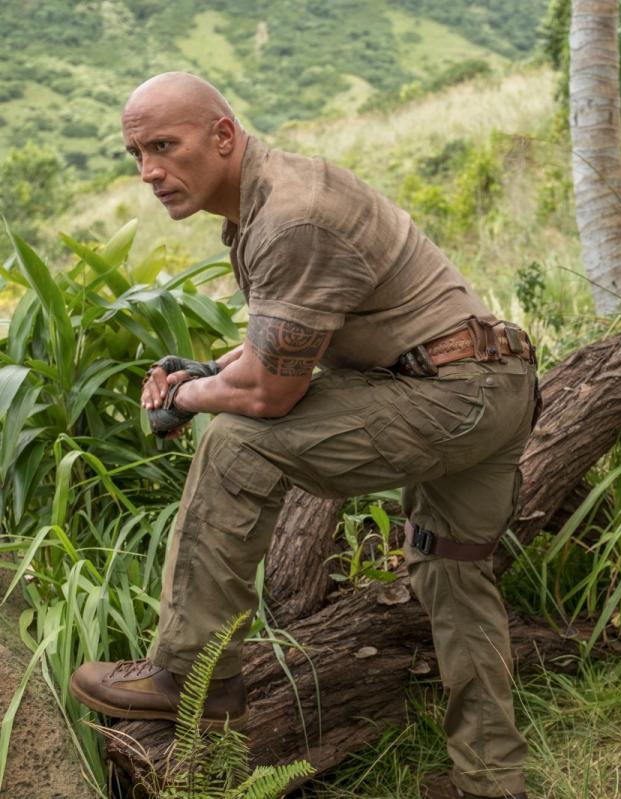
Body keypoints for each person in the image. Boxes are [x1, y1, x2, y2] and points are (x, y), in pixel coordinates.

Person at [67, 72, 536, 799]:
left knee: (236, 442)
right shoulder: (269, 197)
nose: (149, 172)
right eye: (135, 153)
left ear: (222, 135)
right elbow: (284, 341)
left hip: (450, 397)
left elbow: (267, 390)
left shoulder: (290, 216)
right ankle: (492, 778)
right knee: (451, 568)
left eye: (164, 145)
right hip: (491, 383)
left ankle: (193, 676)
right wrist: (206, 368)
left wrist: (187, 396)